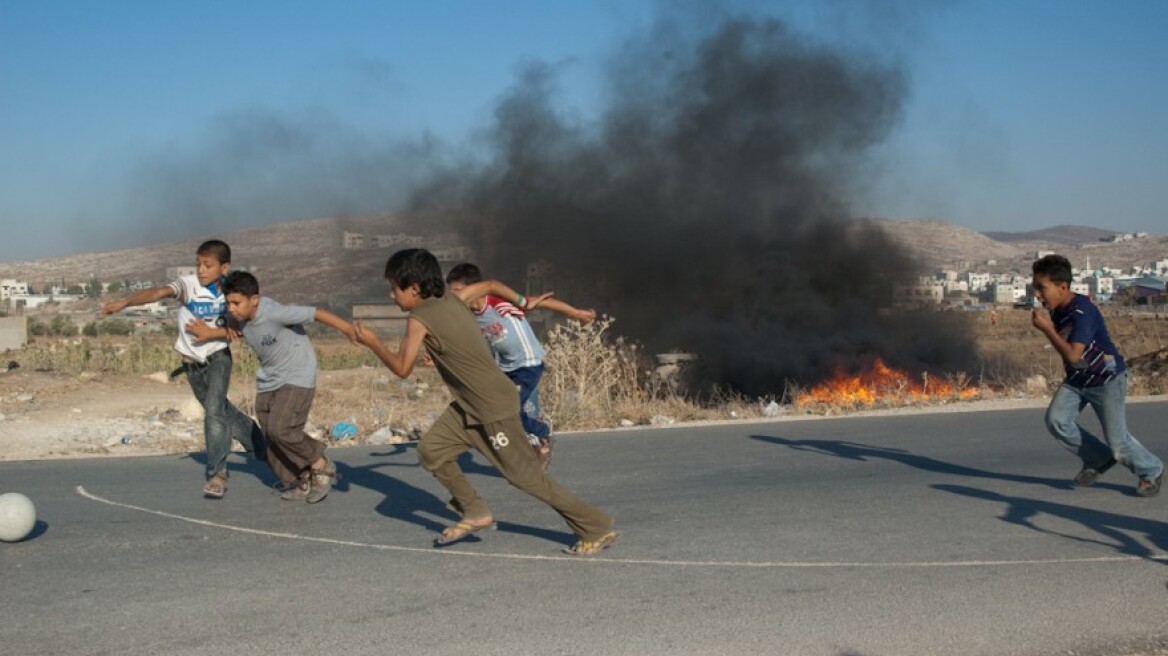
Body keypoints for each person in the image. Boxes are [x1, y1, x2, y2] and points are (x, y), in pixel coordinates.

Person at [353, 248, 618, 555]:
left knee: (526, 479)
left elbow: (402, 368)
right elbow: (491, 284)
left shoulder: (418, 319)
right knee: (431, 451)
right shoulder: (455, 297)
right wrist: (523, 302)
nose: (391, 295)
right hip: (468, 406)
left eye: (394, 288)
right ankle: (475, 510)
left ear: (413, 288)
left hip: (492, 406)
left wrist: (373, 342)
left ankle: (594, 526)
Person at [100, 239, 266, 499]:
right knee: (220, 409)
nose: (201, 270)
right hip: (191, 364)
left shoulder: (231, 293)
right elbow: (156, 293)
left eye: (207, 265)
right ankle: (260, 443)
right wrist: (123, 303)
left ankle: (217, 474)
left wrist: (214, 333)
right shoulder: (188, 286)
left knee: (213, 412)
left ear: (224, 268)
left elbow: (242, 329)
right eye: (198, 264)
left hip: (218, 357)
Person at [1030, 254, 1163, 497]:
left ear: (1062, 287)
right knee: (1057, 421)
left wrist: (1047, 329)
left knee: (1118, 442)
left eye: (1042, 288)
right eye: (1035, 288)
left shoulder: (1083, 311)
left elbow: (1072, 355)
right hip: (1078, 379)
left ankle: (1151, 469)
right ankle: (1098, 459)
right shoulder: (1059, 309)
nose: (1037, 295)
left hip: (1106, 380)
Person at [220, 270, 355, 504]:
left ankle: (322, 466)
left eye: (236, 303)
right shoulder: (239, 315)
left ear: (255, 299)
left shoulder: (276, 313)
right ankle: (299, 479)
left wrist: (348, 329)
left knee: (282, 429)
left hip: (297, 375)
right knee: (269, 437)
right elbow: (231, 318)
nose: (232, 308)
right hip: (268, 379)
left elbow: (317, 313)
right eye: (228, 303)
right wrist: (231, 320)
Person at [445, 262, 596, 470]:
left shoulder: (498, 302)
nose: (455, 297)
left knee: (512, 410)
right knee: (502, 409)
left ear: (476, 288)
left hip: (528, 363)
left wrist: (576, 314)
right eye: (451, 293)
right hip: (505, 368)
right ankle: (534, 441)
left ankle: (542, 436)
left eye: (459, 291)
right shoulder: (469, 314)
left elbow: (541, 303)